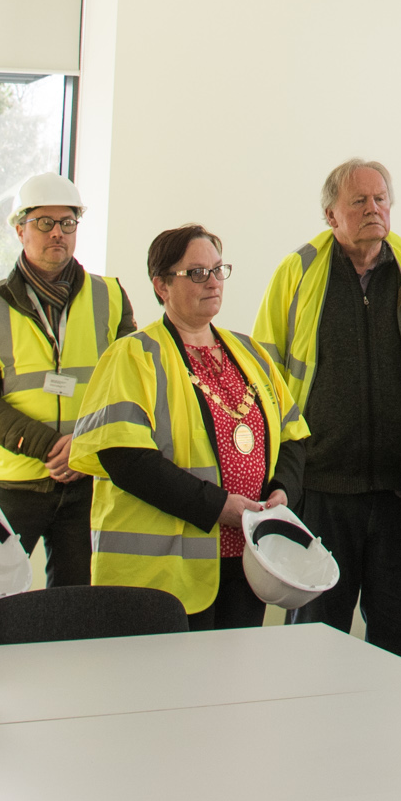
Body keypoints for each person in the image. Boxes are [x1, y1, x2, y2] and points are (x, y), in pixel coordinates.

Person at [252, 158, 401, 661]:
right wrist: (276, 480)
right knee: (314, 641)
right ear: (331, 215)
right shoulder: (298, 273)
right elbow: (265, 382)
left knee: (396, 645)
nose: (374, 209)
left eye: (381, 200)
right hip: (321, 495)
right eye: (359, 201)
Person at [72, 225, 308, 630]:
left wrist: (282, 490)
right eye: (197, 273)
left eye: (218, 270)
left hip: (246, 560)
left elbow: (294, 436)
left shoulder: (250, 352)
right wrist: (217, 506)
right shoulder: (133, 355)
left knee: (233, 686)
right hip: (162, 575)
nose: (213, 282)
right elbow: (124, 459)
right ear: (161, 285)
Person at [0, 171, 134, 648]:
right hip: (14, 480)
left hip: (89, 481)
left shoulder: (110, 296)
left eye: (67, 223)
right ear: (19, 228)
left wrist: (82, 449)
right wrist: (51, 446)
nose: (57, 234)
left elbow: (130, 389)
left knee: (77, 607)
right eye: (44, 222)